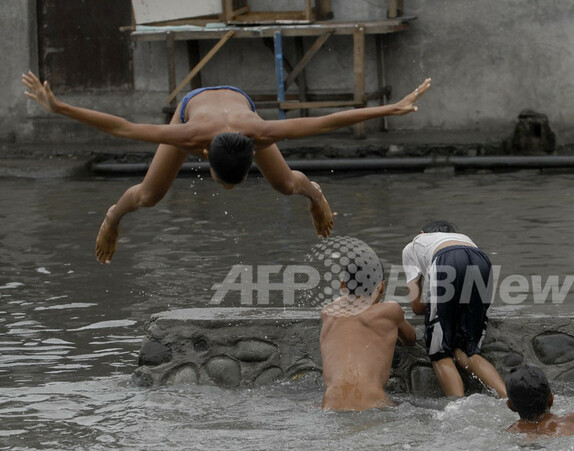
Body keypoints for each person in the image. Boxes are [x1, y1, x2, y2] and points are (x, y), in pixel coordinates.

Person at [21, 71, 431, 264]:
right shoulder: (186, 134)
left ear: (252, 152)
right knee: (149, 195)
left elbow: (328, 121)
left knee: (288, 184)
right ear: (204, 157)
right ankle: (113, 217)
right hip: (194, 106)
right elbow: (122, 127)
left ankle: (316, 195)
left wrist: (392, 107)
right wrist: (58, 107)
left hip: (239, 103)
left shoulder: (260, 131)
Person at [401, 221, 507, 398]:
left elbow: (417, 306)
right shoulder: (465, 239)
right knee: (469, 350)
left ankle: (458, 408)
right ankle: (508, 400)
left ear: (421, 233)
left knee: (439, 352)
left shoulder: (413, 245)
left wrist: (442, 305)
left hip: (446, 259)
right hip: (482, 259)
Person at [319, 245, 416, 411]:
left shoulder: (328, 312)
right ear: (382, 287)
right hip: (372, 402)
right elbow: (411, 339)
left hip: (330, 404)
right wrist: (398, 317)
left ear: (343, 285)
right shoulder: (390, 310)